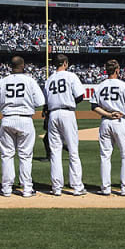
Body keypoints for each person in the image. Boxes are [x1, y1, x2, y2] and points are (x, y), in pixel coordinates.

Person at [0, 56, 43, 197]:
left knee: (7, 155)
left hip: (7, 118)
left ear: (11, 66)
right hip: (25, 119)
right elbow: (40, 101)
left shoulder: (3, 81)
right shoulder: (29, 80)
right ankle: (27, 188)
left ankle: (6, 189)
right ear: (23, 65)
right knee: (25, 156)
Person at [92, 60, 125, 196]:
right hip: (119, 121)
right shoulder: (122, 85)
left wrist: (108, 113)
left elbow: (94, 106)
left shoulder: (100, 85)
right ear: (117, 70)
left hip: (105, 121)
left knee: (105, 156)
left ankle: (105, 188)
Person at [44, 54, 85, 195]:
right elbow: (80, 97)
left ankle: (56, 188)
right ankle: (77, 186)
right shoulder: (71, 76)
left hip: (53, 114)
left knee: (55, 152)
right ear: (65, 63)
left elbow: (45, 101)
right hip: (67, 112)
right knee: (73, 150)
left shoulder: (49, 80)